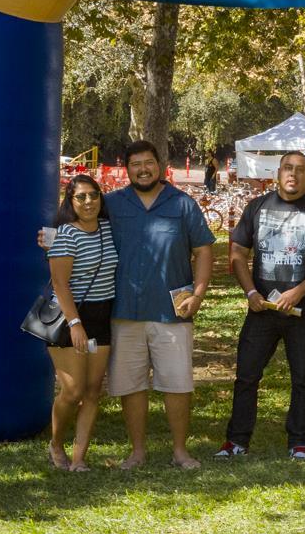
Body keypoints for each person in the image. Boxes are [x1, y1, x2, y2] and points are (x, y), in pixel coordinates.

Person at [216, 149, 305, 461]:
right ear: (278, 173)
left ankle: (299, 442)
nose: (293, 174)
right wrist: (250, 292)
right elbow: (238, 254)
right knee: (246, 375)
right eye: (287, 168)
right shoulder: (257, 207)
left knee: (302, 378)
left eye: (300, 169)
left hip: (302, 313)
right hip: (261, 310)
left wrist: (297, 292)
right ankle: (237, 440)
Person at [107, 140, 215, 469]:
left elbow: (204, 250)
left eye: (148, 163)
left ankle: (180, 451)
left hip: (173, 312)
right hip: (124, 310)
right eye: (136, 164)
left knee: (177, 384)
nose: (143, 169)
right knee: (131, 384)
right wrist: (51, 239)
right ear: (127, 169)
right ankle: (137, 452)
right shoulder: (111, 203)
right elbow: (77, 223)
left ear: (160, 165)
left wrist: (198, 294)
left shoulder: (182, 204)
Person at [44, 173, 118, 471]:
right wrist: (75, 323)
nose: (89, 202)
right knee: (73, 391)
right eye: (81, 197)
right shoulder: (65, 234)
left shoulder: (109, 229)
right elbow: (59, 284)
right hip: (70, 318)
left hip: (101, 317)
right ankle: (56, 443)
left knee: (91, 391)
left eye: (94, 195)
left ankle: (79, 458)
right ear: (71, 202)